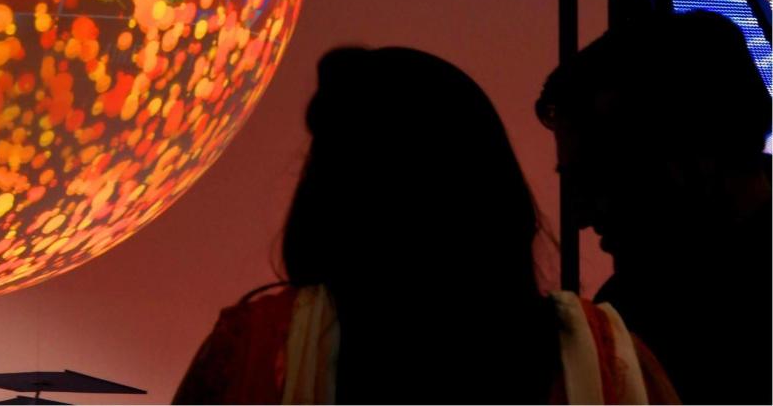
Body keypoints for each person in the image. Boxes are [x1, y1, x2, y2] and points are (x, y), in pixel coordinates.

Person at [174, 47, 676, 404]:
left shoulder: (252, 355)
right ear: (497, 199)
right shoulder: (611, 360)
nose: (584, 212)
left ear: (331, 204)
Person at [538, 10, 772, 405]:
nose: (579, 215)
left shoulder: (629, 324)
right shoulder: (628, 312)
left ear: (699, 156)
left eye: (601, 178)